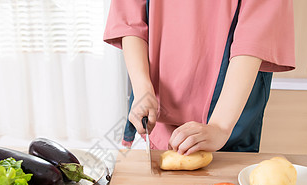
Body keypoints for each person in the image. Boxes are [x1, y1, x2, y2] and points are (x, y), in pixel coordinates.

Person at [104, 0, 295, 155]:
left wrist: (220, 127)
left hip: (228, 111)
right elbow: (130, 20)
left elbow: (255, 36)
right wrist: (143, 89)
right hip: (159, 103)